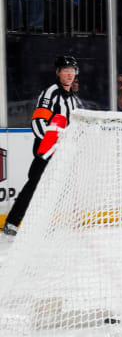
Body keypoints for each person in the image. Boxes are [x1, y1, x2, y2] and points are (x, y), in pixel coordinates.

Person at [1, 56, 83, 241]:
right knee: (34, 185)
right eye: (65, 70)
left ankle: (43, 223)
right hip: (46, 150)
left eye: (72, 71)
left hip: (63, 151)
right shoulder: (51, 93)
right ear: (58, 73)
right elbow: (38, 122)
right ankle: (12, 224)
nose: (69, 74)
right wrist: (51, 145)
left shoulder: (74, 100)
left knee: (56, 187)